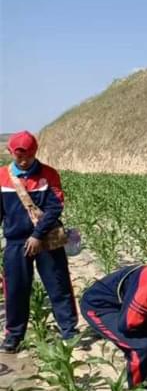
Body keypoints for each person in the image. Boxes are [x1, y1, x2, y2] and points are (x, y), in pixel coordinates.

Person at [0, 131, 78, 352]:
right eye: (19, 157)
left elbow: (55, 208)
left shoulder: (48, 174)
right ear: (11, 152)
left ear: (35, 152)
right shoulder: (2, 177)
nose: (24, 161)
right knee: (15, 289)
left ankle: (69, 331)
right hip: (16, 242)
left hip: (47, 240)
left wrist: (37, 235)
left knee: (58, 285)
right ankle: (14, 336)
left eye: (29, 156)